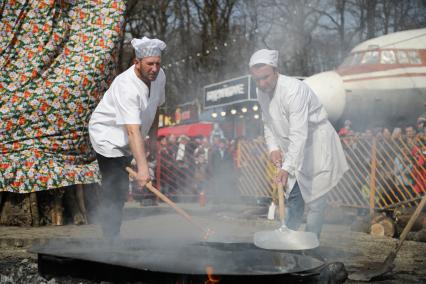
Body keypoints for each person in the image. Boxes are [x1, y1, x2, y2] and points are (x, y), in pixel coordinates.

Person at [249, 49, 348, 238]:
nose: (262, 83)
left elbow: (299, 133)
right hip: (295, 149)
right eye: (257, 80)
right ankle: (289, 239)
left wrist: (287, 167)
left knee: (316, 202)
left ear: (276, 70)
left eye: (266, 77)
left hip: (316, 146)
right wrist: (273, 148)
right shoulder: (261, 91)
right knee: (294, 197)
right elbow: (268, 122)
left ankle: (311, 244)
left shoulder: (294, 90)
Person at [88, 36, 166, 240]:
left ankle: (112, 232)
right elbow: (132, 130)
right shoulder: (126, 86)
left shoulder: (160, 76)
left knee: (120, 187)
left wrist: (154, 139)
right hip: (108, 137)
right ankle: (110, 238)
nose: (155, 69)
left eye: (158, 63)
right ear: (136, 63)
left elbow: (157, 106)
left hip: (132, 135)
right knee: (116, 187)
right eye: (150, 64)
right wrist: (143, 169)